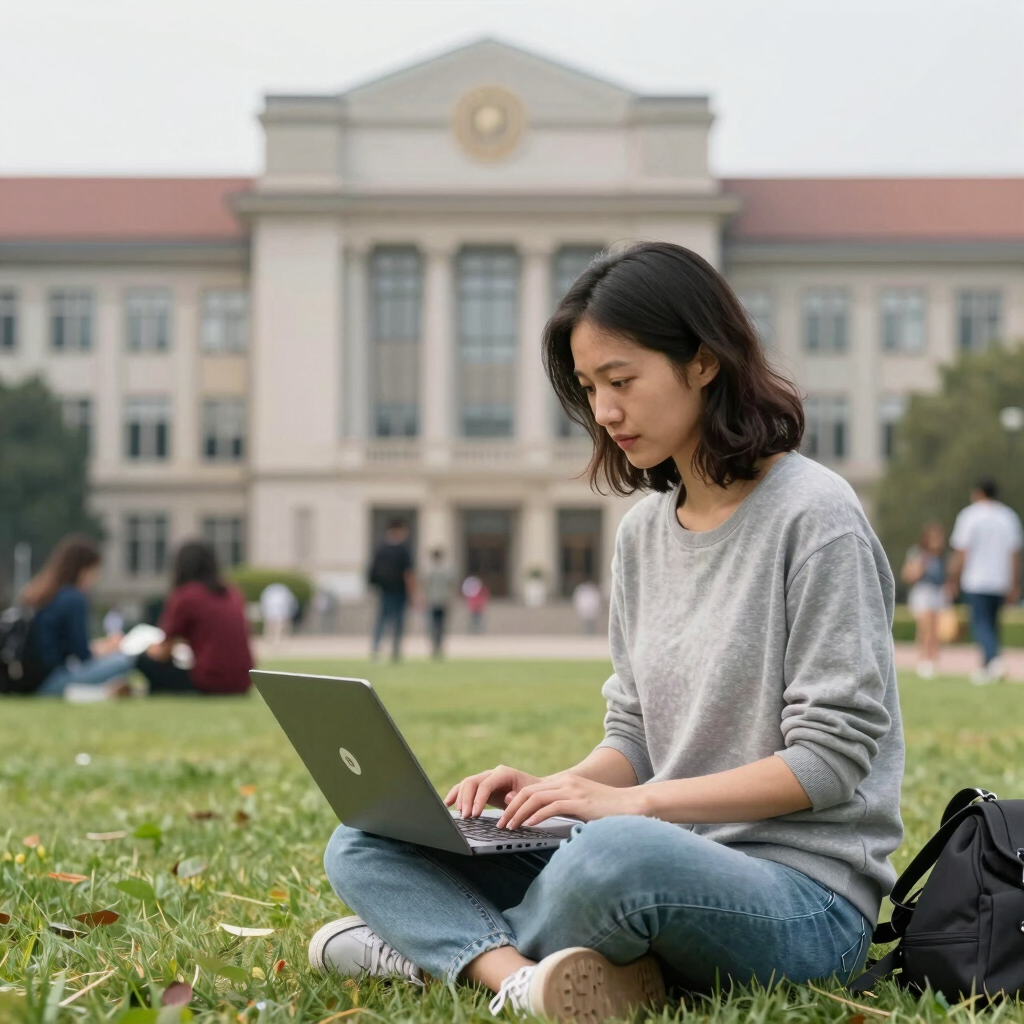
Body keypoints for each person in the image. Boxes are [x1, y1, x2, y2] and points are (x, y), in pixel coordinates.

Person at [308, 242, 904, 1022]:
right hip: (654, 854)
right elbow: (635, 735)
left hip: (802, 898)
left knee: (615, 854)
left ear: (703, 362)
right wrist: (554, 790)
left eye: (622, 381)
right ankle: (515, 975)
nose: (605, 412)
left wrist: (637, 808)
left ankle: (432, 951)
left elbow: (828, 761)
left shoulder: (816, 516)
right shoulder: (641, 534)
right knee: (366, 841)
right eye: (590, 388)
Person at [21, 534, 135, 698]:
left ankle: (99, 693)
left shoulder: (40, 594)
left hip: (29, 681)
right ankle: (100, 693)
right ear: (84, 569)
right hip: (51, 682)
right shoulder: (73, 598)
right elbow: (82, 655)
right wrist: (108, 648)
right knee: (124, 661)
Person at [136, 540, 253, 695]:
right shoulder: (232, 593)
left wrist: (149, 649)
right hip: (243, 681)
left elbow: (164, 652)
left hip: (209, 681)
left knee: (143, 661)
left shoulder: (186, 595)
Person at [947, 477, 1023, 684]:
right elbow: (1014, 554)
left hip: (977, 579)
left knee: (981, 624)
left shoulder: (970, 516)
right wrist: (1015, 583)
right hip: (1000, 579)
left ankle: (994, 661)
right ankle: (987, 665)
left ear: (978, 493)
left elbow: (962, 551)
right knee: (992, 624)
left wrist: (952, 578)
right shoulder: (1009, 517)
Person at [901, 522, 949, 678]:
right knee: (925, 628)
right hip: (923, 592)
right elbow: (907, 574)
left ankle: (933, 659)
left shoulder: (942, 556)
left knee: (936, 630)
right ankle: (923, 660)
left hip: (938, 593)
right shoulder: (918, 553)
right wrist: (921, 566)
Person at [368, 521, 415, 662]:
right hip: (398, 591)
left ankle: (376, 648)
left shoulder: (380, 549)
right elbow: (408, 574)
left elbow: (372, 571)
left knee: (381, 620)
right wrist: (413, 593)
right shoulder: (403, 550)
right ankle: (395, 650)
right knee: (398, 621)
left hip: (384, 590)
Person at [422, 548, 454, 659]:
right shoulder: (446, 569)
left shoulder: (429, 569)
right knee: (441, 625)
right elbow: (452, 583)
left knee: (433, 624)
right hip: (443, 600)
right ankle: (439, 646)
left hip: (432, 600)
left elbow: (425, 584)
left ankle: (434, 646)